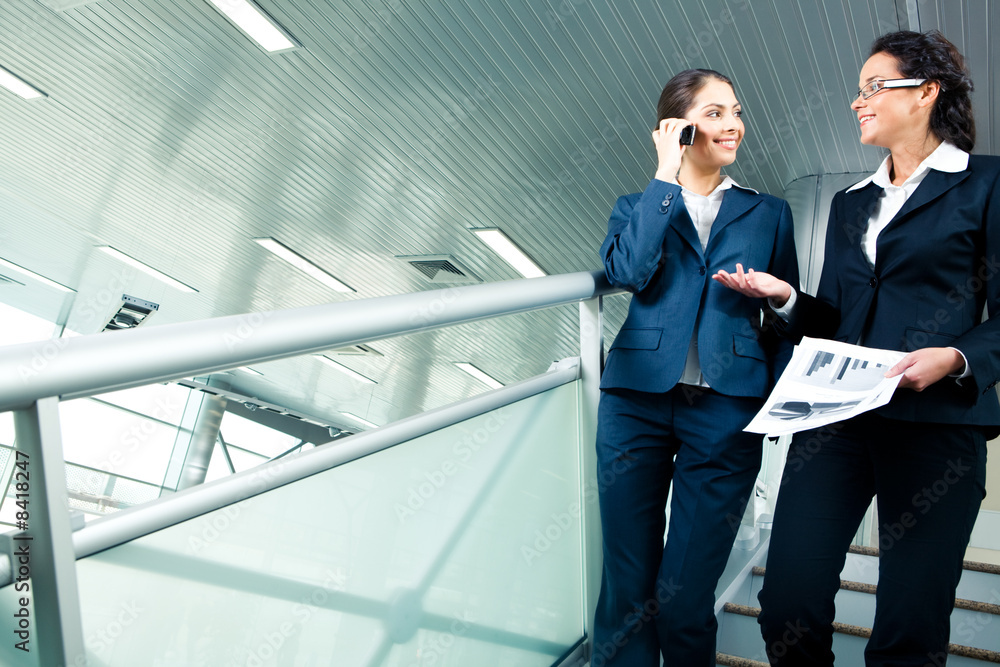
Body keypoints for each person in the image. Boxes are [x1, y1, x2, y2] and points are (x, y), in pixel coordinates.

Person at [713, 29, 997, 666]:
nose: (857, 101)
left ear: (926, 92)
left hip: (937, 426)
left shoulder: (988, 184)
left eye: (874, 87)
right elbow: (841, 319)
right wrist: (786, 298)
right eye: (858, 89)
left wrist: (955, 358)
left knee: (909, 627)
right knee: (787, 602)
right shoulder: (850, 203)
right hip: (838, 422)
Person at [593, 69, 799, 666]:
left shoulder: (769, 213)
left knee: (684, 596)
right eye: (714, 114)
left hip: (728, 409)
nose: (733, 125)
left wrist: (778, 398)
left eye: (736, 111)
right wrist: (665, 175)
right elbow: (628, 272)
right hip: (636, 403)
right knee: (627, 584)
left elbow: (787, 315)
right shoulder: (638, 206)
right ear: (676, 129)